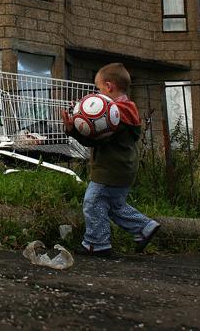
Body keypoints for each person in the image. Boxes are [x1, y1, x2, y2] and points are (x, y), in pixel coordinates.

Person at [61, 63, 161, 257]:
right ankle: (144, 228)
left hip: (110, 169)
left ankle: (96, 243)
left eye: (98, 88)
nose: (97, 92)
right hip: (124, 168)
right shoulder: (127, 110)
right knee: (114, 206)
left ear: (109, 86)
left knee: (93, 201)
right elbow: (98, 137)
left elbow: (96, 139)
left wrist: (75, 128)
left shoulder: (113, 113)